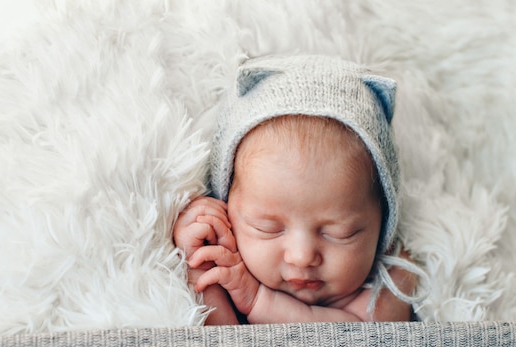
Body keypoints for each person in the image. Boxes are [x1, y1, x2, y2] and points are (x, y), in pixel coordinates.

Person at [173, 55, 427, 325]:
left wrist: (258, 300)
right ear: (227, 210)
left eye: (340, 233)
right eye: (267, 227)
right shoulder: (231, 270)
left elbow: (365, 340)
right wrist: (198, 265)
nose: (302, 256)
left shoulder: (394, 277)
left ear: (383, 223)